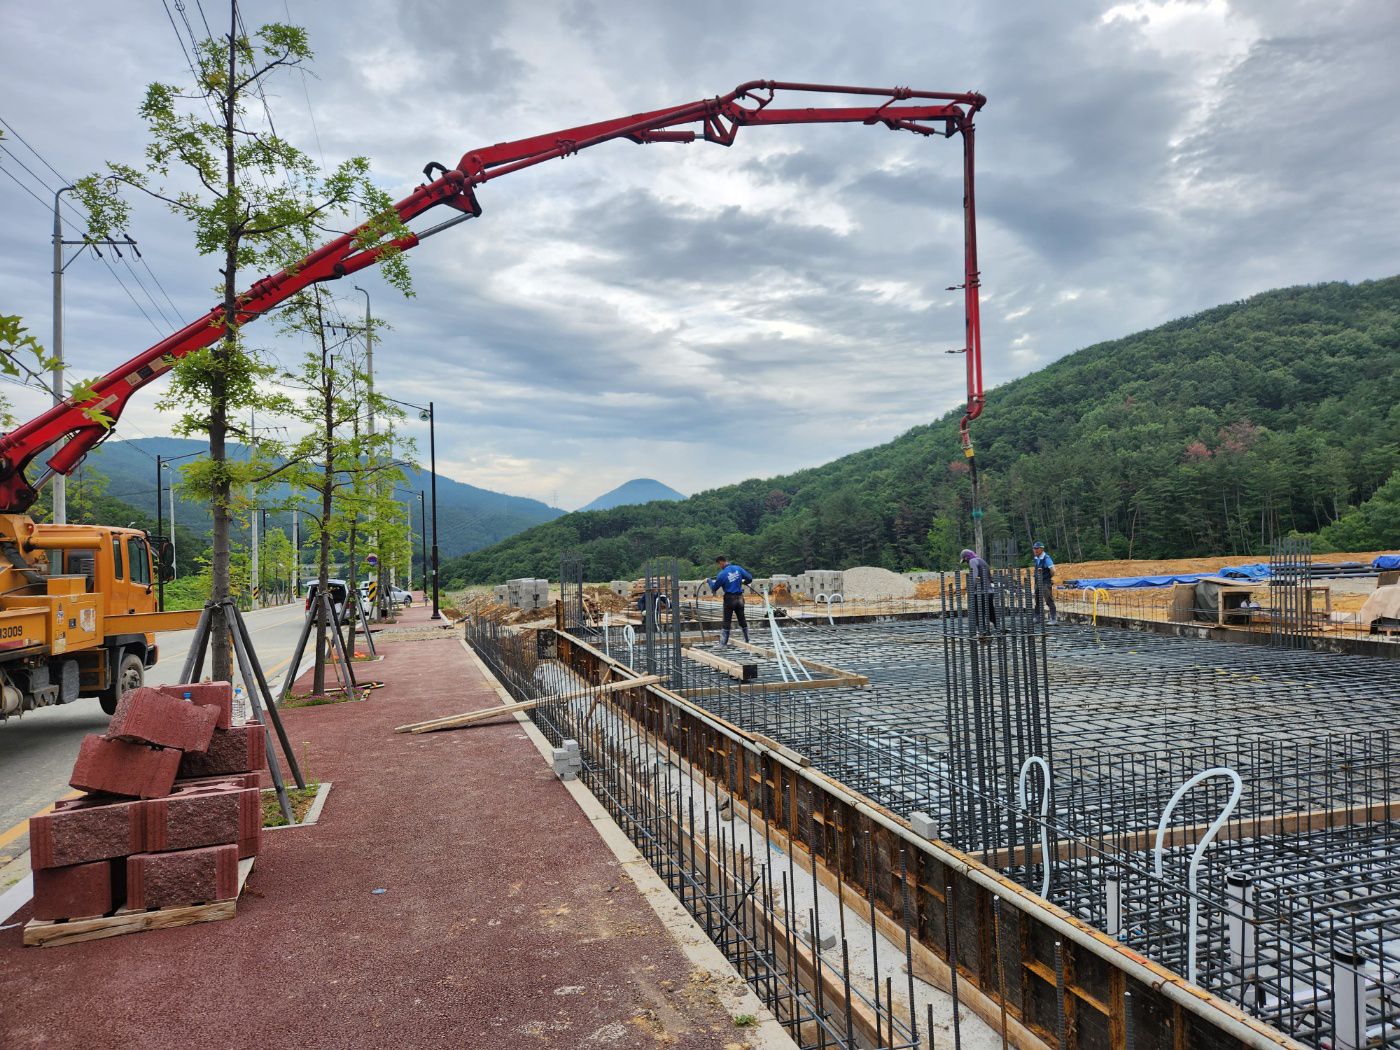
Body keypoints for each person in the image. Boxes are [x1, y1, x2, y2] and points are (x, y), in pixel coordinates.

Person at [707, 556, 753, 648]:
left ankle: (723, 644)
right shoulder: (738, 568)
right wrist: (744, 582)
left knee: (727, 621)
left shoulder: (722, 574)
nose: (719, 567)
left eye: (718, 565)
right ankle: (747, 640)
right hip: (740, 598)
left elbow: (714, 588)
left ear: (720, 563)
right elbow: (750, 578)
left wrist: (708, 580)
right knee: (742, 619)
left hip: (730, 599)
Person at [960, 548, 999, 638]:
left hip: (980, 592)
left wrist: (971, 587)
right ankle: (998, 627)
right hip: (989, 592)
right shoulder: (982, 561)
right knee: (990, 611)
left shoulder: (972, 561)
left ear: (967, 556)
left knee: (977, 612)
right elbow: (990, 577)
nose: (965, 561)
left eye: (965, 559)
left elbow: (975, 577)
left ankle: (982, 630)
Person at [1031, 541, 1058, 625]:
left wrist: (1048, 578)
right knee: (1037, 600)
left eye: (1037, 549)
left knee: (1048, 600)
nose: (1035, 550)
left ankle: (1053, 619)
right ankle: (1037, 617)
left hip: (1045, 582)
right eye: (1034, 549)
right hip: (1037, 581)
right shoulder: (1036, 558)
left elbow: (1053, 570)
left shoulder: (1046, 558)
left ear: (1042, 549)